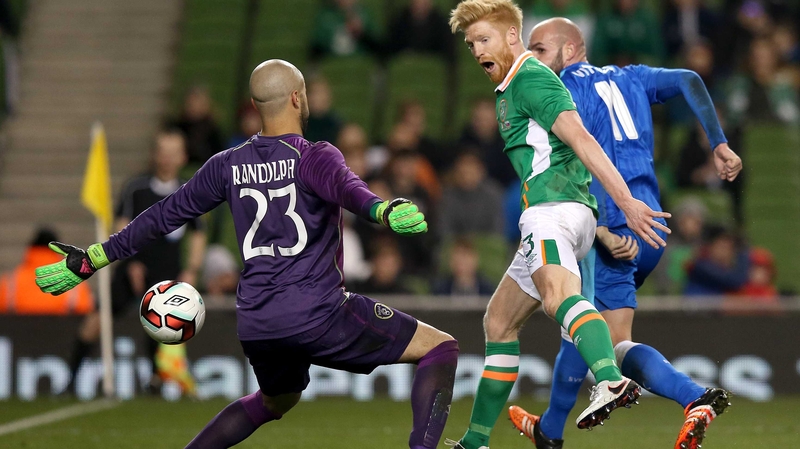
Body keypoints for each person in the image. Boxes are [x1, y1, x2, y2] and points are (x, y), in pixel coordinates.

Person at [35, 59, 458, 449]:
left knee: (276, 401)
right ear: (297, 97)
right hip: (318, 313)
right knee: (441, 348)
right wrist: (381, 210)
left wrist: (94, 256)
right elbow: (350, 191)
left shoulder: (226, 164)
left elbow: (163, 216)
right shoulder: (313, 155)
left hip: (258, 322)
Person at [507, 17, 742, 449]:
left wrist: (597, 227)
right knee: (589, 332)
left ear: (571, 50)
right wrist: (718, 143)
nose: (532, 58)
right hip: (652, 225)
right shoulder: (631, 77)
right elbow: (690, 78)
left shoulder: (562, 90)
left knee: (605, 342)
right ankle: (550, 431)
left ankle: (694, 397)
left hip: (612, 226)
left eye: (539, 49)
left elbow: (581, 155)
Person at [448, 2, 675, 447]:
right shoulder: (512, 84)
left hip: (553, 212)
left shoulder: (531, 79)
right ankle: (473, 442)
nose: (477, 51)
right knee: (499, 322)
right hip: (566, 213)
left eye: (485, 39)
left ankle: (609, 379)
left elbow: (582, 138)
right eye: (471, 43)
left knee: (559, 299)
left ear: (513, 37)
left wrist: (627, 202)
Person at [63, 128, 207, 396]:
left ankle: (156, 382)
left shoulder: (190, 189)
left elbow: (198, 233)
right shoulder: (135, 188)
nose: (166, 159)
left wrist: (192, 270)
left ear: (182, 157)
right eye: (162, 152)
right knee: (98, 316)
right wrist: (129, 263)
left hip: (167, 273)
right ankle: (71, 379)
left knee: (164, 326)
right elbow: (120, 226)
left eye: (172, 154)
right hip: (132, 267)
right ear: (154, 155)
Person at [0, 228, 94, 315]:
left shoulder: (10, 282)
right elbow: (86, 310)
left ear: (31, 248)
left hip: (17, 332)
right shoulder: (76, 285)